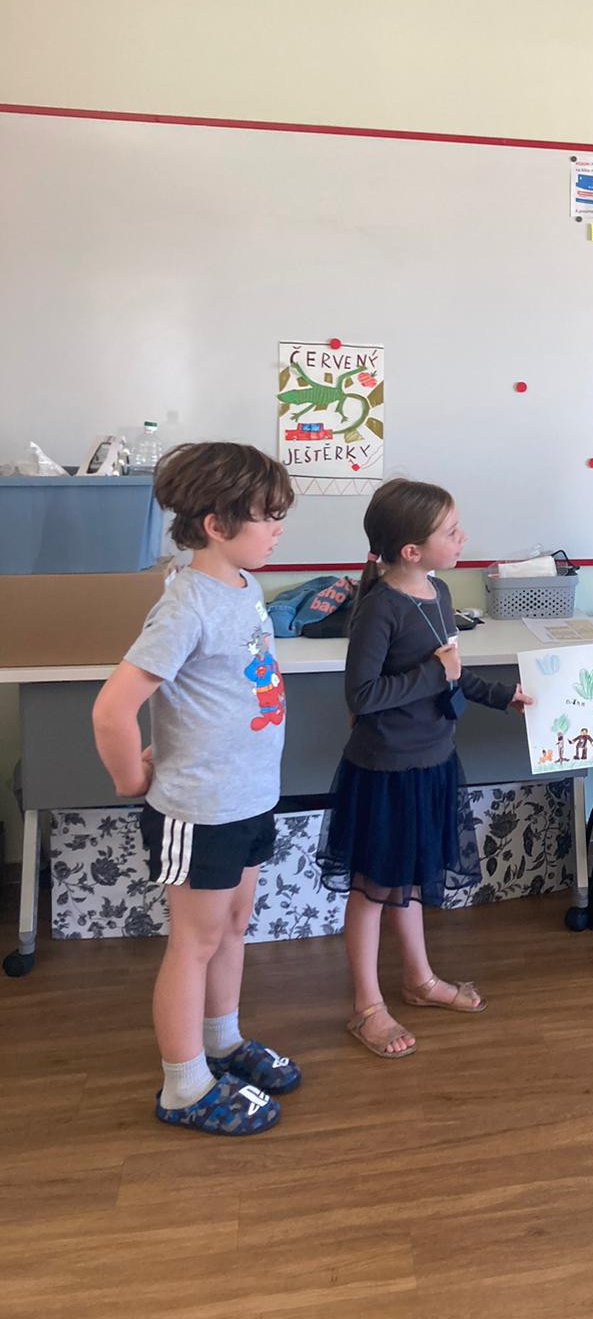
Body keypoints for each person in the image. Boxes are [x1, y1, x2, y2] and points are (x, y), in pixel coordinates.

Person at [91, 443, 299, 1135]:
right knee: (195, 943)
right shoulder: (186, 605)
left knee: (233, 927)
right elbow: (112, 711)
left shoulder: (244, 587)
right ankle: (183, 1086)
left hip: (248, 799)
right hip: (200, 811)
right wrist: (132, 778)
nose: (277, 529)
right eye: (267, 516)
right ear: (217, 524)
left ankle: (223, 1041)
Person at [317, 478, 532, 1057]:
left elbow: (452, 671)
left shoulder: (436, 590)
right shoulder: (379, 608)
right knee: (373, 888)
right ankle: (366, 1006)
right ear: (411, 550)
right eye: (451, 532)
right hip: (386, 771)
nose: (463, 538)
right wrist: (435, 674)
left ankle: (418, 980)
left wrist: (501, 695)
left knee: (409, 879)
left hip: (433, 761)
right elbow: (363, 695)